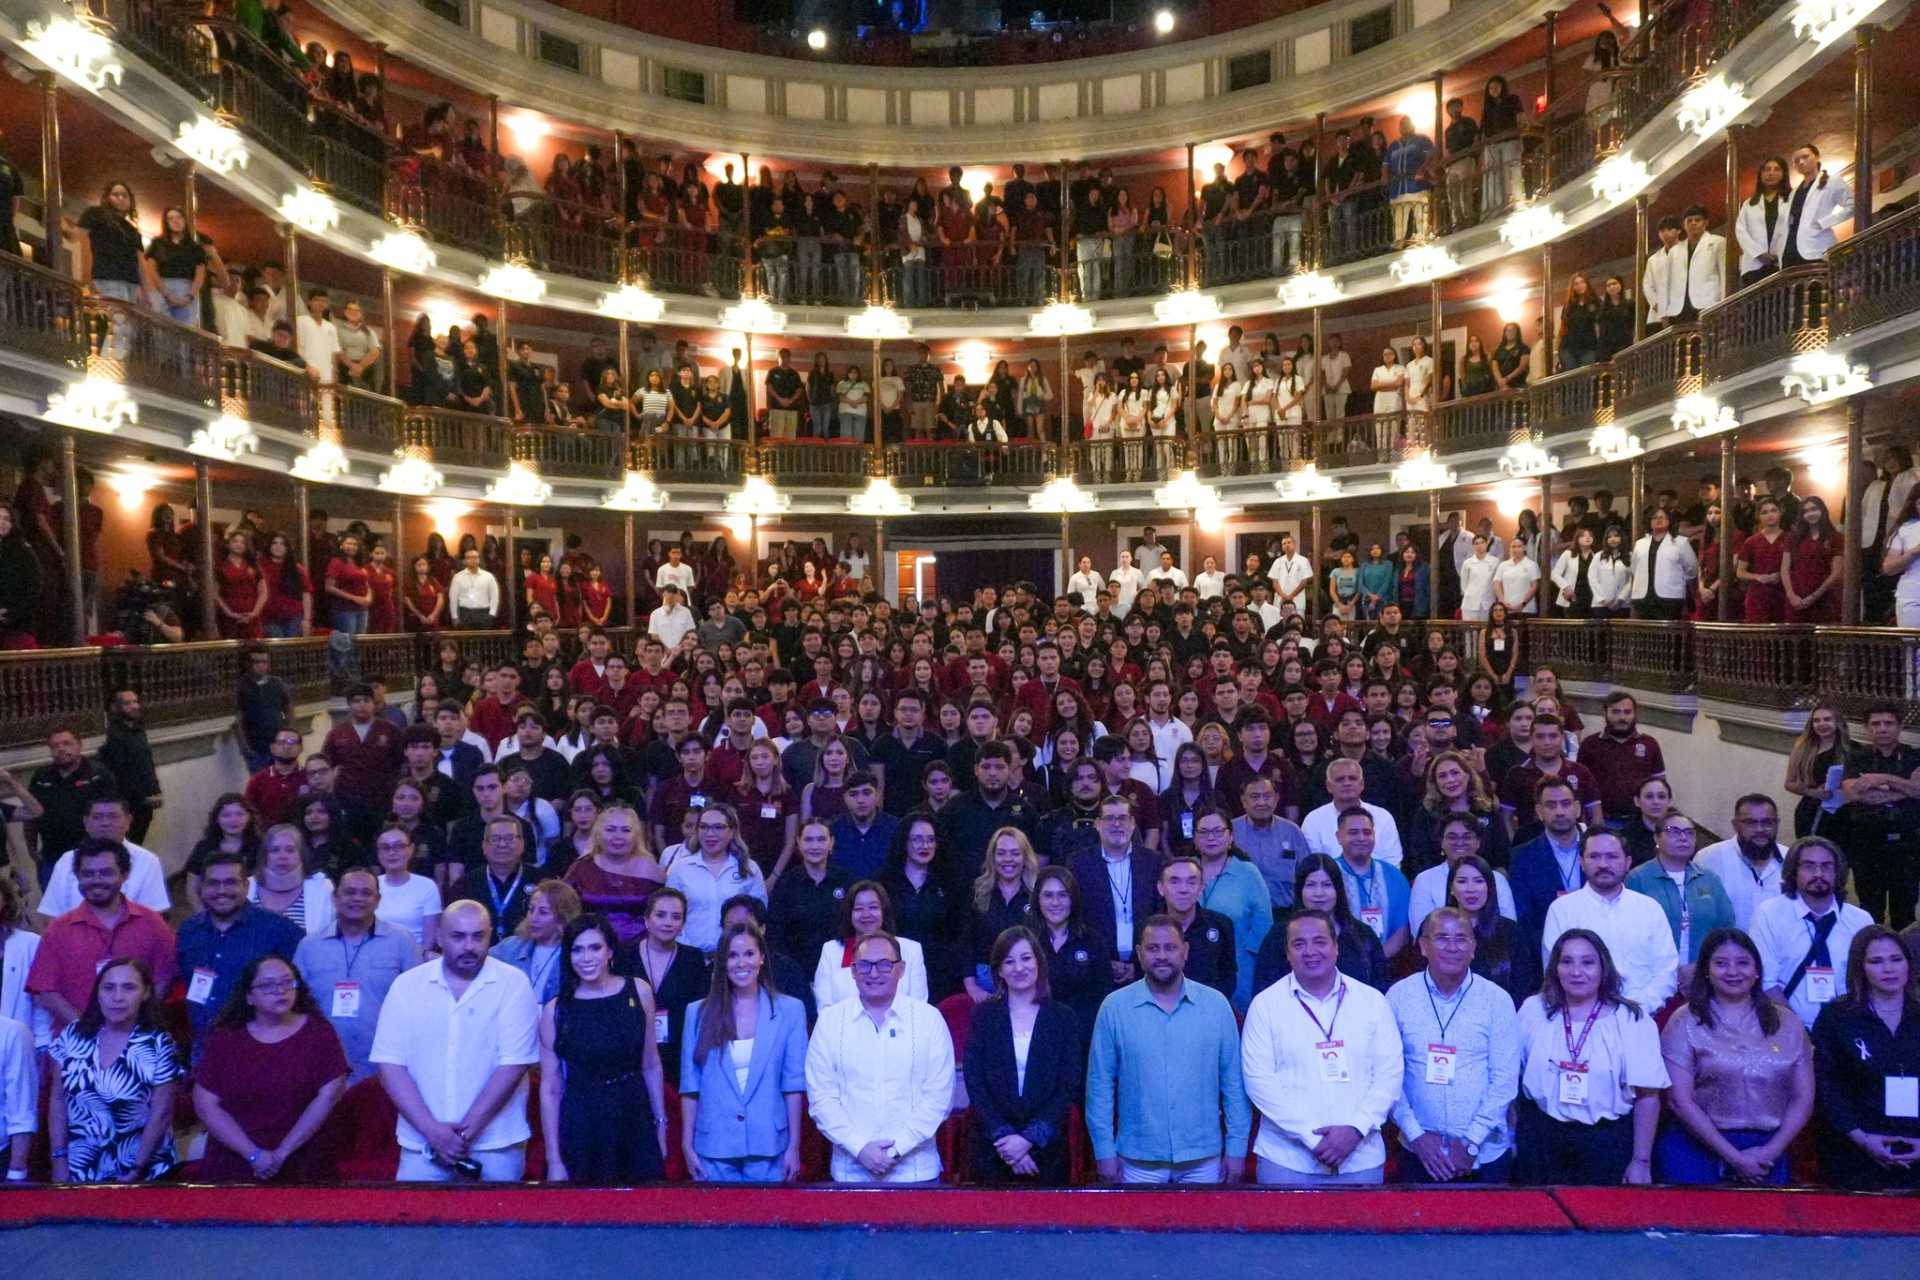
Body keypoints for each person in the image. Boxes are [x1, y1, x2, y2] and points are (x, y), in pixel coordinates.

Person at [370, 900, 540, 1181]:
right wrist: (434, 1133)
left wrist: (458, 1138)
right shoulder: (407, 986)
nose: (469, 946)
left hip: (497, 1145)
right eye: (458, 936)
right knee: (412, 1224)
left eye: (478, 936)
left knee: (501, 1225)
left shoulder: (514, 983)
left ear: (490, 936)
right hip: (422, 1145)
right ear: (438, 937)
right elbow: (390, 1066)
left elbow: (513, 1066)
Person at [1086, 914, 1250, 1184]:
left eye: (1170, 947)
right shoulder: (1114, 1008)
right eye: (1153, 948)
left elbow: (1233, 1083)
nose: (1162, 956)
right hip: (1137, 1161)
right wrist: (1103, 1151)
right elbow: (1099, 1086)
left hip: (1204, 1161)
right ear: (1139, 954)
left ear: (1185, 952)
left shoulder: (1216, 1006)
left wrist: (1236, 1148)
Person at [1241, 909, 1401, 1186]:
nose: (1310, 951)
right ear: (1288, 953)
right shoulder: (1265, 1006)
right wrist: (1311, 1137)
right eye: (1298, 944)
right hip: (1286, 1162)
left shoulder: (1372, 1002)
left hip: (1360, 1159)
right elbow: (1259, 1082)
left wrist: (1355, 1129)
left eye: (1319, 941)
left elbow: (1389, 1075)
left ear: (1336, 947)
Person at [1657, 927, 1813, 1185]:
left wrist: (1768, 1153)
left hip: (1767, 1153)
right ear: (1706, 970)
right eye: (1721, 963)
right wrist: (1735, 1158)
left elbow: (1803, 1099)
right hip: (1695, 1148)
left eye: (1742, 963)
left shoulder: (1788, 1022)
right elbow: (1679, 1100)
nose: (1732, 972)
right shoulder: (1684, 1020)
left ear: (1757, 970)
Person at [1513, 930, 1669, 1185]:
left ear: (1603, 967)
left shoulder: (1632, 1018)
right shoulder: (1534, 1009)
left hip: (1606, 1142)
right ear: (1555, 968)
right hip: (1540, 1139)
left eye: (1587, 962)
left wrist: (1641, 1161)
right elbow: (1511, 1077)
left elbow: (1648, 1097)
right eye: (1567, 962)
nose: (1576, 971)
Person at [805, 931, 955, 1184]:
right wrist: (860, 1148)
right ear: (852, 971)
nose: (874, 973)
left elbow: (939, 1098)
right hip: (849, 1173)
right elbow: (821, 1099)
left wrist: (896, 1151)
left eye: (885, 964)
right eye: (864, 965)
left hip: (916, 1173)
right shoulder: (830, 1022)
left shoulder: (929, 1019)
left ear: (901, 969)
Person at [1387, 907, 1523, 1182]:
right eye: (1441, 938)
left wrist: (1472, 1142)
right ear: (1423, 946)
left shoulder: (1496, 1001)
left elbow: (1504, 1080)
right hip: (1419, 1151)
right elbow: (1388, 1076)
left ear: (1473, 948)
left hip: (1484, 1154)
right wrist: (1417, 1136)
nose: (1452, 947)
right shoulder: (1398, 997)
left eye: (1461, 939)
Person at [191, 954, 350, 1181]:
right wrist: (254, 1155)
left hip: (302, 1159)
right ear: (248, 997)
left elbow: (329, 1095)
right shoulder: (225, 1038)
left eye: (287, 982)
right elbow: (206, 1105)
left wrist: (283, 1152)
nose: (280, 990)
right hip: (235, 1160)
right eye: (267, 985)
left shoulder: (319, 1033)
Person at [538, 913, 669, 1183]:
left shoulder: (639, 991)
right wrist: (553, 1158)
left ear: (610, 950)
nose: (586, 958)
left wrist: (661, 1126)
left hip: (633, 1115)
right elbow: (550, 1088)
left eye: (595, 947)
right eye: (577, 950)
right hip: (582, 1121)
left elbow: (651, 1064)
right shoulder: (555, 1011)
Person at [680, 921, 808, 1181]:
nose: (741, 963)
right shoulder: (698, 1013)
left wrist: (794, 1145)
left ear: (762, 957)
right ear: (722, 961)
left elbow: (793, 1085)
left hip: (771, 1146)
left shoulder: (791, 1010)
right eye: (732, 955)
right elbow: (690, 1085)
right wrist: (686, 1144)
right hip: (713, 1148)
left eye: (749, 954)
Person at [962, 925, 1081, 1185]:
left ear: (1039, 962)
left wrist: (1029, 1140)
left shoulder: (1064, 1018)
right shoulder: (983, 1016)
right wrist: (1007, 1142)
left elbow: (1067, 1085)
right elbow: (975, 1082)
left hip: (1047, 1151)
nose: (1019, 968)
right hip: (992, 1149)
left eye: (1026, 958)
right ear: (999, 970)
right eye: (1009, 961)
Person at [47, 958, 182, 1183]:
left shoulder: (159, 1043)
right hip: (80, 1170)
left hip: (143, 1171)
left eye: (129, 988)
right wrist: (59, 1159)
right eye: (109, 988)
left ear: (146, 993)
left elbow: (162, 1114)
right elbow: (57, 1101)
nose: (117, 997)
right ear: (98, 993)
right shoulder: (73, 1035)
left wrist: (136, 1170)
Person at [1810, 925, 1920, 1190]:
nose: (1889, 969)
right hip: (1854, 1152)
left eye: (1896, 959)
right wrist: (1861, 1139)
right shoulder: (1837, 1018)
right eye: (1876, 961)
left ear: (1909, 965)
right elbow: (1826, 1087)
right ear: (1861, 968)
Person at [28, 838, 177, 1030]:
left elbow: (164, 978)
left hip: (137, 1040)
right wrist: (86, 1028)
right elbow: (45, 990)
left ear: (125, 875)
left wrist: (134, 1024)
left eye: (106, 873)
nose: (96, 880)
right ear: (77, 877)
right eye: (88, 874)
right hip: (76, 1044)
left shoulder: (152, 924)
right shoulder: (58, 930)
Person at [294, 869, 423, 1082]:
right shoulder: (309, 946)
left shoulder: (402, 942)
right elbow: (295, 1005)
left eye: (366, 893)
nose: (358, 898)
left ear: (378, 900)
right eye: (350, 892)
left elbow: (419, 1002)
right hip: (321, 1067)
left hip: (383, 1067)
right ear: (335, 898)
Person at [174, 850, 305, 1057]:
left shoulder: (279, 930)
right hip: (203, 1051)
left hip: (262, 1053)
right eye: (213, 883)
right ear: (201, 888)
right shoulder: (188, 932)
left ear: (246, 885)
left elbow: (303, 991)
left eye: (231, 882)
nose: (222, 890)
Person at [1540, 829, 1679, 1014]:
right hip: (1579, 1018)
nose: (1603, 864)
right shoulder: (1562, 910)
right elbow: (1555, 972)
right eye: (1594, 857)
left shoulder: (1649, 909)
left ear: (1628, 862)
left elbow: (1666, 971)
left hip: (1642, 1016)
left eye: (1612, 856)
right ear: (1581, 862)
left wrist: (1636, 1010)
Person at [1749, 837, 1875, 1029]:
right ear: (1794, 871)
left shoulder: (1860, 920)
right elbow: (1766, 982)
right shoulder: (1769, 914)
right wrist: (1796, 1032)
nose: (1818, 874)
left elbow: (1868, 982)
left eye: (1826, 866)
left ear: (1838, 872)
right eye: (1809, 866)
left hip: (1849, 1030)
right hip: (1786, 1027)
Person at [813, 880, 928, 1009]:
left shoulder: (912, 950)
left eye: (873, 907)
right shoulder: (830, 951)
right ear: (849, 914)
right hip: (844, 1028)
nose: (866, 915)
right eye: (858, 909)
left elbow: (919, 1008)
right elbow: (825, 1009)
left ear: (884, 911)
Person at [493, 879, 581, 1005]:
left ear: (563, 917)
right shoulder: (510, 948)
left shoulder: (576, 953)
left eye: (543, 912)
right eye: (531, 909)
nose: (533, 918)